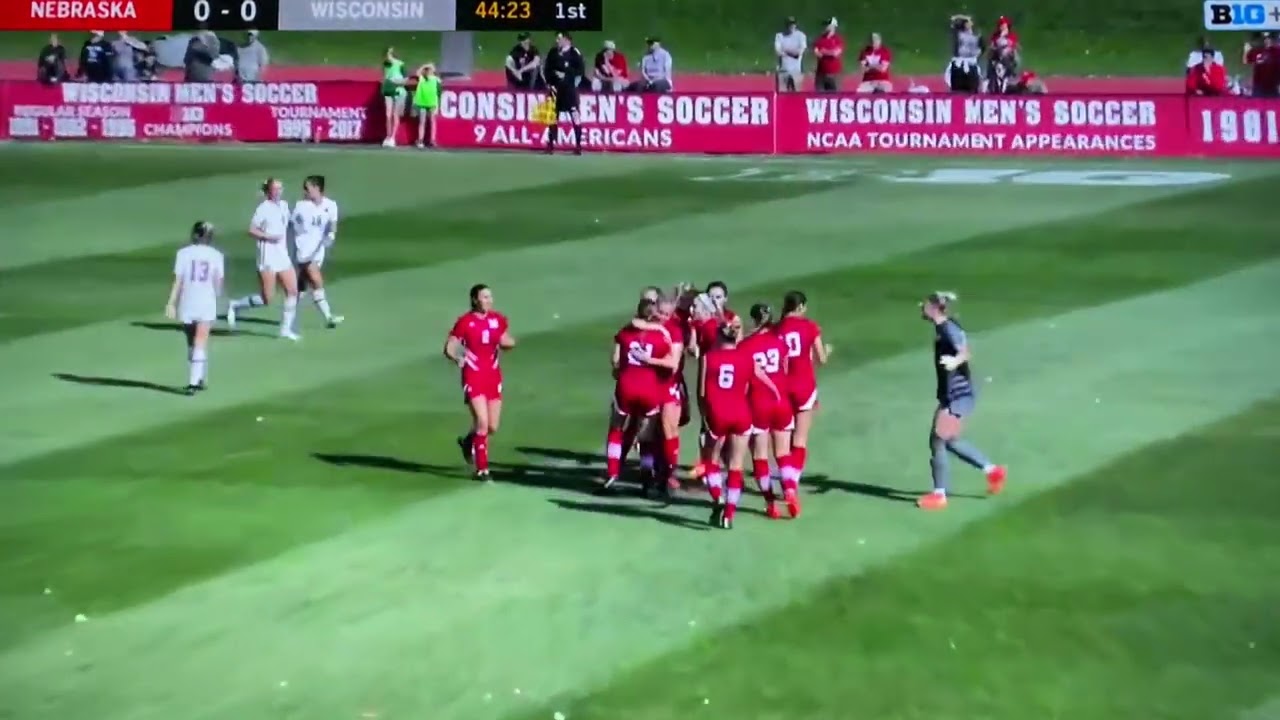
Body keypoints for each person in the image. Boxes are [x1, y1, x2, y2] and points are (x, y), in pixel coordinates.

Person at [916, 292, 1006, 510]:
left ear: (934, 308)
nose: (921, 308)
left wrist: (954, 361)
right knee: (949, 440)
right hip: (953, 395)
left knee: (937, 440)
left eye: (925, 305)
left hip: (957, 396)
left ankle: (940, 495)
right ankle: (992, 471)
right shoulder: (944, 327)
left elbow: (965, 353)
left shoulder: (948, 329)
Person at [701, 323, 779, 529]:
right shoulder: (746, 357)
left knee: (711, 459)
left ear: (718, 337)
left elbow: (702, 393)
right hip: (741, 414)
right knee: (736, 465)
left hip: (718, 414)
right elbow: (761, 375)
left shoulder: (708, 358)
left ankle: (717, 497)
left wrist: (705, 418)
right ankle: (728, 514)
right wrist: (775, 391)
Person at [444, 284, 516, 481]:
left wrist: (509, 343)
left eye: (490, 296)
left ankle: (469, 442)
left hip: (493, 376)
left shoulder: (497, 319)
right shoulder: (465, 322)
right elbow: (450, 346)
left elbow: (505, 339)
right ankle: (482, 469)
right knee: (482, 422)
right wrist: (457, 357)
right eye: (484, 297)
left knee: (492, 426)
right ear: (475, 300)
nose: (489, 300)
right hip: (473, 375)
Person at [605, 298, 677, 489]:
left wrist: (621, 372)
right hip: (649, 389)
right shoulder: (661, 337)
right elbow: (671, 364)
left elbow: (615, 362)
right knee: (647, 435)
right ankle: (647, 475)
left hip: (626, 386)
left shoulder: (625, 334)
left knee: (616, 428)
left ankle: (612, 472)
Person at [772, 290, 829, 515]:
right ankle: (792, 485)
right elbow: (821, 359)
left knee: (781, 442)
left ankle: (787, 485)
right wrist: (829, 352)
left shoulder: (776, 329)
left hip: (782, 388)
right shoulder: (809, 326)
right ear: (802, 306)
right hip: (805, 387)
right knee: (800, 438)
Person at [226, 178, 300, 341]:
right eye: (276, 189)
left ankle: (285, 329)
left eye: (281, 188)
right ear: (269, 191)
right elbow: (251, 230)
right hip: (267, 257)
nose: (280, 191)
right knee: (267, 298)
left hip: (282, 255)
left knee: (293, 291)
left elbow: (289, 223)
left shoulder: (284, 206)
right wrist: (268, 237)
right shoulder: (263, 209)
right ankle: (236, 305)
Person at [738, 303, 794, 519]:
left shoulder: (745, 346)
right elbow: (786, 370)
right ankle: (789, 488)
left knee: (760, 455)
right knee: (783, 452)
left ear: (753, 319)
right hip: (781, 401)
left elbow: (744, 381)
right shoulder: (779, 342)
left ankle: (771, 504)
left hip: (758, 403)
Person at [164, 221, 224, 395]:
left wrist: (171, 303)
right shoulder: (216, 255)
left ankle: (197, 379)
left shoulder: (183, 254)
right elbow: (218, 283)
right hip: (206, 301)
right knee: (200, 342)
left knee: (192, 342)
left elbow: (178, 281)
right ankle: (194, 381)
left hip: (187, 300)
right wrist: (219, 298)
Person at [291, 175, 344, 329]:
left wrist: (331, 236)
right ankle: (329, 317)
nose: (304, 191)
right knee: (316, 281)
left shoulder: (331, 205)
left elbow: (333, 224)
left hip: (318, 250)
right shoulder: (301, 206)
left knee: (301, 287)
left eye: (307, 188)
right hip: (305, 251)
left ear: (317, 188)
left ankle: (288, 318)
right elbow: (293, 225)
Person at [541, 32, 585, 155]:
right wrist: (549, 83)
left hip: (569, 90)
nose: (557, 41)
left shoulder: (574, 53)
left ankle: (578, 146)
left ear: (567, 40)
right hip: (555, 90)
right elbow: (547, 69)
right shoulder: (553, 52)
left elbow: (580, 70)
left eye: (560, 39)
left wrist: (566, 74)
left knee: (575, 115)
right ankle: (550, 145)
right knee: (553, 117)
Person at [948, 15, 984, 94]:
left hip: (971, 63)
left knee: (972, 88)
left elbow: (981, 47)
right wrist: (963, 18)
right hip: (960, 63)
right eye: (967, 23)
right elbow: (953, 24)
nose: (969, 24)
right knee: (958, 88)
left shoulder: (977, 35)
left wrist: (977, 55)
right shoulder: (959, 34)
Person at [380, 47, 408, 148]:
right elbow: (385, 77)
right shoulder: (386, 65)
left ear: (392, 55)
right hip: (388, 91)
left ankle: (393, 137)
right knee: (388, 115)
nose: (386, 56)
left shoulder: (400, 64)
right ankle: (388, 136)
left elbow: (406, 80)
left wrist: (396, 82)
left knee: (395, 115)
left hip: (399, 91)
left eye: (388, 54)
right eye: (386, 54)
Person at [412, 63, 442, 148]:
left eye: (430, 70)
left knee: (432, 121)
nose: (429, 71)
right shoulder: (421, 78)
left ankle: (432, 140)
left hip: (432, 103)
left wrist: (429, 67)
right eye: (428, 70)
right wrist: (425, 65)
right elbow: (417, 72)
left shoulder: (436, 79)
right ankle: (420, 140)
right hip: (422, 103)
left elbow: (439, 90)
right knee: (422, 122)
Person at [774, 16, 806, 92]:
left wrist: (786, 50)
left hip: (796, 71)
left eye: (793, 24)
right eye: (789, 24)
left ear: (796, 25)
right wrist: (792, 51)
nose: (791, 26)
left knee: (797, 95)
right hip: (783, 70)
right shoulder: (779, 36)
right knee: (781, 96)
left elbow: (799, 52)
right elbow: (778, 52)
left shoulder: (801, 36)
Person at [812, 18, 844, 92]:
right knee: (820, 97)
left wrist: (824, 51)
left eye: (828, 25)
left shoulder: (838, 39)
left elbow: (836, 54)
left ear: (833, 26)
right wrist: (830, 52)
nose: (826, 26)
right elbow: (817, 53)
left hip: (835, 74)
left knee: (835, 96)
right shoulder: (819, 39)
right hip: (821, 74)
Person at [1244, 33, 1278, 97]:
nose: (1266, 41)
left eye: (1268, 39)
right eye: (1265, 39)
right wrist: (1246, 51)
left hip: (1273, 84)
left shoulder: (1276, 51)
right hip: (1258, 85)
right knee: (1257, 103)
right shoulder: (1257, 51)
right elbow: (1246, 61)